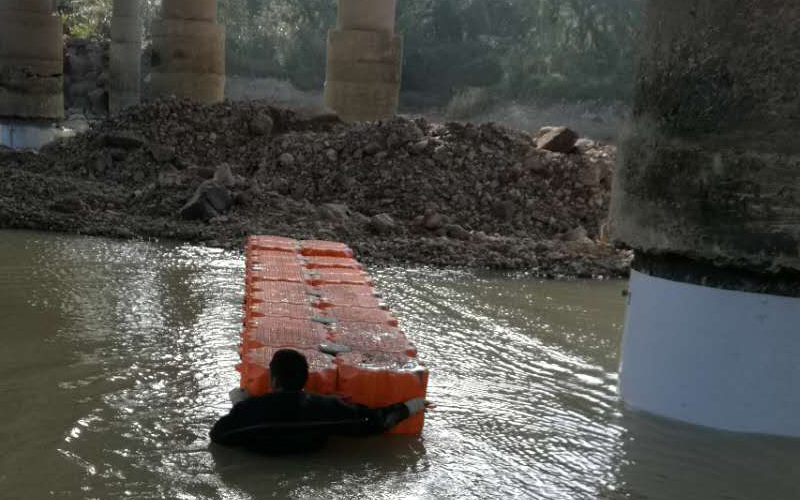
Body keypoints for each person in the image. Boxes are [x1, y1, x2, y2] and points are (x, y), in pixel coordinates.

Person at [210, 349, 430, 454]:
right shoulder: (326, 408)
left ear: (274, 380)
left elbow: (218, 435)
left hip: (262, 458)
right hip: (308, 455)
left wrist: (240, 403)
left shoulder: (250, 410)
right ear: (306, 379)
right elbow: (374, 422)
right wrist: (414, 404)